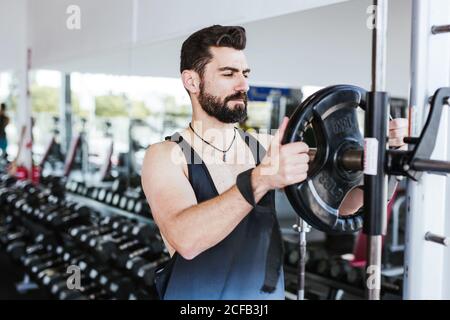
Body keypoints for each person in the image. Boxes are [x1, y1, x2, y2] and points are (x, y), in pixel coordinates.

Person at [141, 25, 408, 300]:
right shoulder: (165, 155)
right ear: (192, 81)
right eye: (228, 74)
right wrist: (261, 178)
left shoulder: (264, 146)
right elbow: (186, 240)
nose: (243, 85)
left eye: (245, 74)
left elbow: (343, 204)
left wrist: (383, 158)